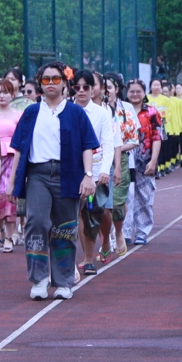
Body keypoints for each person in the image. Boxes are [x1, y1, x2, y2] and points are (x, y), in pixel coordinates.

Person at [5, 61, 99, 301]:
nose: (50, 84)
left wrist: (88, 176)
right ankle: (39, 279)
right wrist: (12, 180)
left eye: (55, 79)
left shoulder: (76, 112)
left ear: (64, 83)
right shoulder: (31, 112)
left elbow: (88, 146)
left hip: (68, 174)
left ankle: (64, 281)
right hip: (37, 174)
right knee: (36, 222)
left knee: (65, 228)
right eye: (45, 79)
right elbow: (18, 148)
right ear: (40, 83)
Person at [69, 70, 114, 276]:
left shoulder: (101, 113)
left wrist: (104, 170)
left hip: (95, 170)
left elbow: (108, 143)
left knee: (94, 214)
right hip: (71, 170)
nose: (81, 91)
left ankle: (95, 251)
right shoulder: (66, 110)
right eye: (77, 87)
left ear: (92, 89)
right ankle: (83, 258)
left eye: (85, 87)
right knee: (75, 214)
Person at [125, 78, 163, 245]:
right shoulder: (121, 111)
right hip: (125, 160)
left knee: (145, 198)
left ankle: (142, 232)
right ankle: (124, 233)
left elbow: (157, 137)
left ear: (144, 93)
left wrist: (153, 160)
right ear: (126, 93)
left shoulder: (152, 113)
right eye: (132, 91)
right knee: (124, 198)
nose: (135, 94)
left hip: (145, 160)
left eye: (138, 91)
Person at [105, 73, 138, 257]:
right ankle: (105, 238)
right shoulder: (96, 109)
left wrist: (115, 149)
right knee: (101, 205)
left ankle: (118, 232)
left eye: (109, 87)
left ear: (116, 89)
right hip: (98, 159)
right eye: (103, 88)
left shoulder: (126, 108)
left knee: (118, 203)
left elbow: (134, 140)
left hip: (122, 159)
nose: (106, 91)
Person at [0, 78, 22, 253]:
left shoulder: (18, 114)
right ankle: (1, 228)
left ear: (12, 95)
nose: (2, 96)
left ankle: (9, 235)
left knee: (9, 195)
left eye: (6, 92)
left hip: (12, 156)